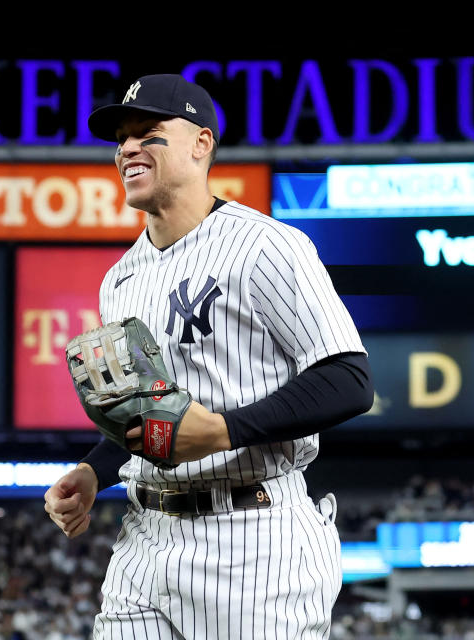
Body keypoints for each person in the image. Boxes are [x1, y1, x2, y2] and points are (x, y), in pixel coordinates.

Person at [44, 74, 373, 639]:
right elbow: (149, 412)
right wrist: (95, 472)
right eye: (121, 139)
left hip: (253, 539)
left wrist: (222, 430)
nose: (126, 149)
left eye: (148, 133)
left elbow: (349, 379)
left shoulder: (267, 246)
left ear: (201, 143)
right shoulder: (120, 280)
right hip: (145, 538)